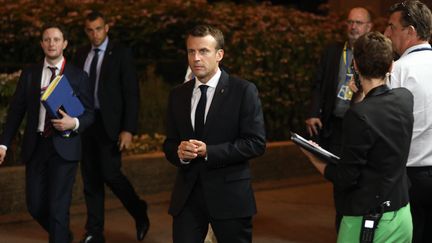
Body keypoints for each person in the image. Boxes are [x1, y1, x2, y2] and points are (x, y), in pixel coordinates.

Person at [302, 31, 413, 243]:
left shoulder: (358, 115)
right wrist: (360, 96)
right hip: (402, 214)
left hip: (369, 219)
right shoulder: (405, 99)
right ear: (391, 66)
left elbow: (346, 177)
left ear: (356, 66)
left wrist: (312, 156)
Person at [163, 25, 266, 243]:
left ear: (219, 55)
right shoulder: (178, 95)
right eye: (191, 51)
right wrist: (179, 152)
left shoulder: (243, 91)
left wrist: (209, 151)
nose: (196, 58)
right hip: (187, 198)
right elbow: (169, 143)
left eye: (203, 51)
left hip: (229, 197)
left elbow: (256, 143)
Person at [0, 23, 94, 243]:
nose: (52, 43)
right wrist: (3, 144)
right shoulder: (30, 74)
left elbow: (90, 114)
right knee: (35, 205)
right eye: (47, 39)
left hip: (65, 148)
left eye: (56, 39)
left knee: (58, 206)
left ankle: (59, 236)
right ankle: (61, 234)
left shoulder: (78, 76)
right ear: (42, 43)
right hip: (37, 146)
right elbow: (16, 112)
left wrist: (75, 123)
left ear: (65, 44)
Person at [72, 11, 149, 243]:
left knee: (111, 174)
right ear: (86, 31)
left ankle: (139, 210)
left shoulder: (121, 54)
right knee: (91, 179)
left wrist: (128, 129)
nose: (94, 34)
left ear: (107, 28)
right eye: (90, 30)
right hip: (85, 124)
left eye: (98, 29)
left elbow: (131, 94)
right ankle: (94, 231)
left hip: (111, 126)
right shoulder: (81, 53)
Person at [305, 6, 372, 231]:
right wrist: (314, 112)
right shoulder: (333, 51)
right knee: (339, 181)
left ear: (369, 27)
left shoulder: (374, 53)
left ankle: (358, 225)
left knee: (358, 177)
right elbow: (318, 83)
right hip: (336, 125)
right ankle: (342, 226)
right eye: (350, 22)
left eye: (359, 23)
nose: (353, 27)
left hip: (362, 125)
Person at [383, 1, 432, 242]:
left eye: (392, 27)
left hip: (410, 177)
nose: (387, 33)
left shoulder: (398, 70)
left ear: (411, 31)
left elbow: (385, 127)